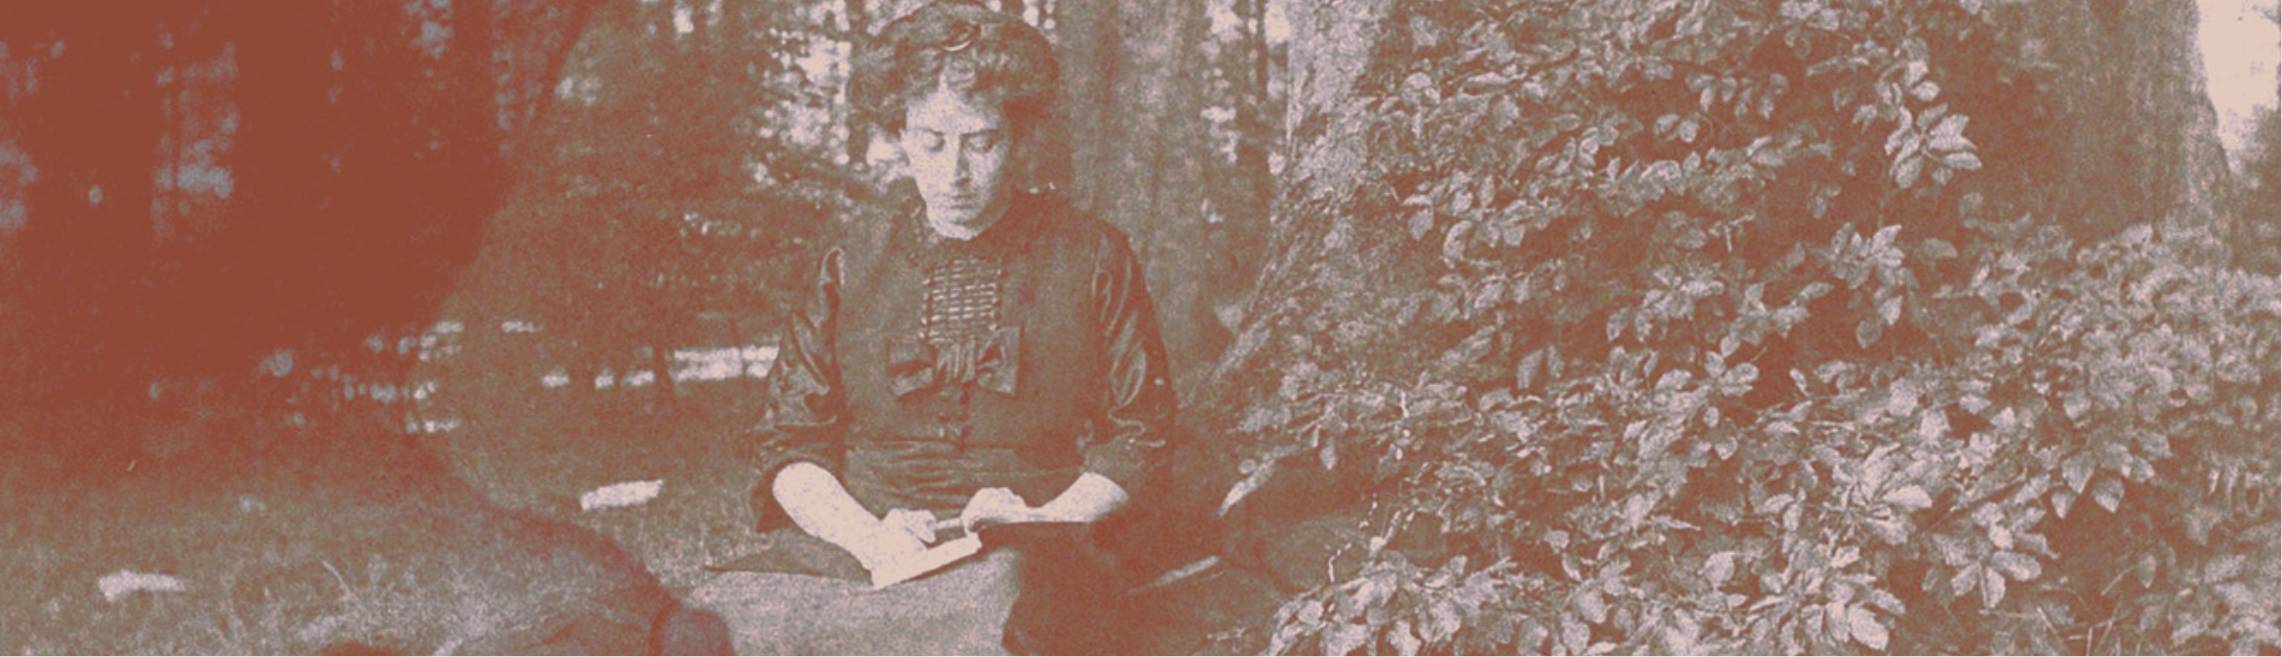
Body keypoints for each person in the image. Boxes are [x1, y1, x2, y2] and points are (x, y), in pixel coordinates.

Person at [689, 1, 1180, 653]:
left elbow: (1142, 433)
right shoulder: (850, 263)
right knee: (713, 625)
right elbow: (789, 443)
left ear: (1019, 136)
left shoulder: (1092, 255)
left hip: (1031, 543)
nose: (955, 173)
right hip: (865, 542)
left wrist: (1042, 519)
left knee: (1010, 612)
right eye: (931, 142)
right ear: (899, 134)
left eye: (981, 142)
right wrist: (870, 539)